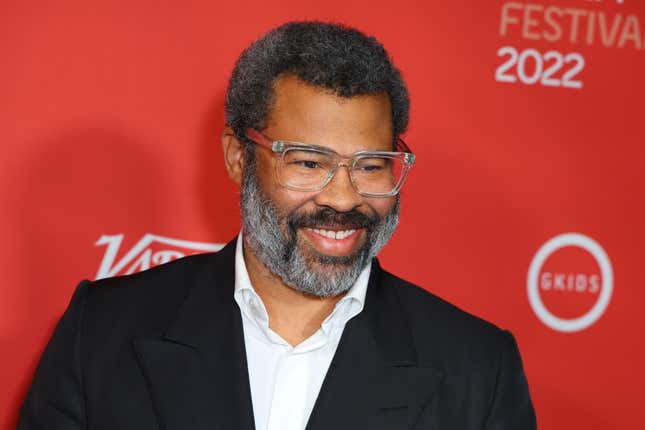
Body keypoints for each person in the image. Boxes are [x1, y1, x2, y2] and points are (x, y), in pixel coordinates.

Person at [19, 21, 536, 430]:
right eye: (309, 163)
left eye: (372, 164)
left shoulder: (477, 367)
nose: (343, 196)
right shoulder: (104, 330)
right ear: (239, 158)